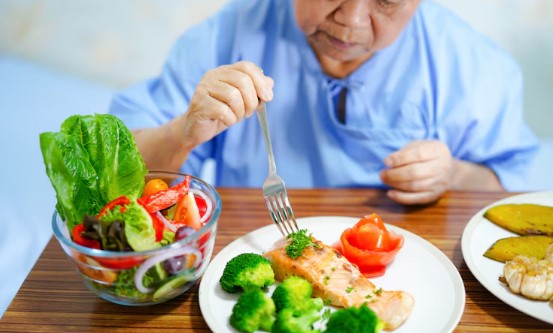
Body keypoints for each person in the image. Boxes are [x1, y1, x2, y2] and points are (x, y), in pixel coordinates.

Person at [109, 0, 539, 205]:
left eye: (385, 1)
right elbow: (113, 173)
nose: (350, 21)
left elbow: (518, 191)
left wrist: (454, 174)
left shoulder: (474, 66)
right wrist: (181, 131)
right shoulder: (228, 34)